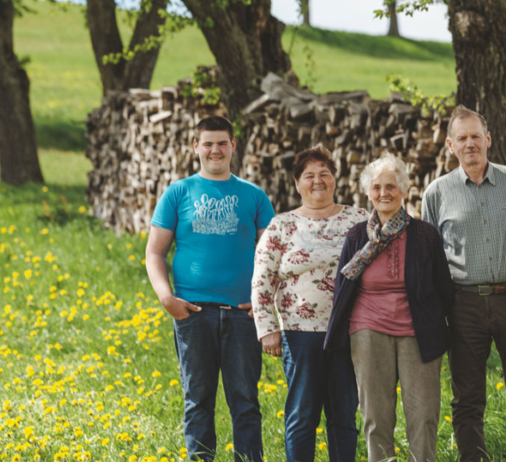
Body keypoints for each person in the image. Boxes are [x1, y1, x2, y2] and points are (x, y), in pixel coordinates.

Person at [145, 115, 275, 462]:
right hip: (193, 314)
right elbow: (154, 252)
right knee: (197, 402)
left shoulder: (254, 196)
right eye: (208, 143)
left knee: (245, 402)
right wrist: (166, 298)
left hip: (242, 317)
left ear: (233, 145)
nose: (214, 149)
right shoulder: (178, 193)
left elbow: (273, 257)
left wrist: (263, 302)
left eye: (221, 142)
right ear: (196, 147)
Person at [421, 106, 506, 462]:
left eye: (476, 136)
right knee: (467, 398)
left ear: (488, 139)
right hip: (464, 305)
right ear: (450, 145)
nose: (470, 143)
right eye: (462, 138)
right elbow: (431, 259)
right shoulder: (437, 193)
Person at [324, 154, 454, 462]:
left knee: (423, 415)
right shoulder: (357, 236)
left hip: (418, 333)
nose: (384, 193)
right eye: (377, 187)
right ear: (368, 192)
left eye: (392, 186)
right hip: (368, 331)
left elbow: (444, 288)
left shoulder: (425, 234)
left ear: (405, 191)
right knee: (376, 418)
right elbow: (343, 289)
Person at [251, 147, 368, 462]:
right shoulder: (282, 225)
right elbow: (262, 280)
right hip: (300, 334)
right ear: (297, 183)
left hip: (349, 331)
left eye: (325, 173)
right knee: (302, 415)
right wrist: (267, 329)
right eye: (310, 175)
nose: (319, 181)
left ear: (335, 178)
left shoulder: (360, 220)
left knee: (344, 413)